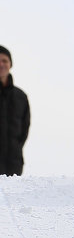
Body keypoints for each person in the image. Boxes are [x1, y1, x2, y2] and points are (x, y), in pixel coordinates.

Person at [0, 45, 30, 176]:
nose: (1, 64)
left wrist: (15, 149)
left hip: (14, 167)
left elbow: (24, 129)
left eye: (4, 61)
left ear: (10, 64)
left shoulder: (21, 97)